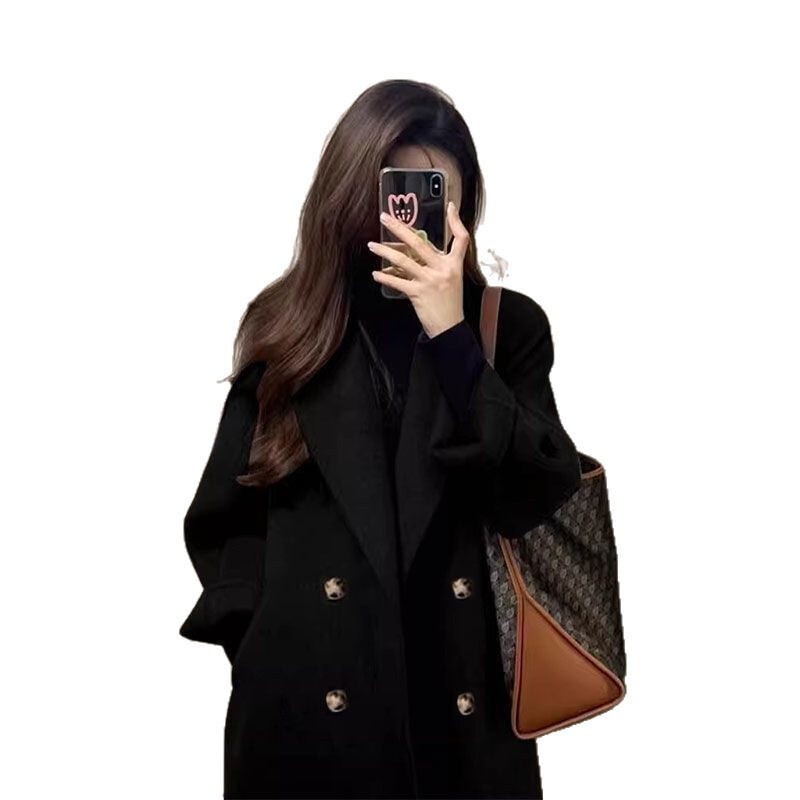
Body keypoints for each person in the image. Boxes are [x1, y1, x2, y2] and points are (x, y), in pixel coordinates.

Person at [179, 78, 583, 800]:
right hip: (307, 717)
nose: (410, 219)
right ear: (347, 195)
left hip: (461, 715)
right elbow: (225, 516)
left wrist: (453, 337)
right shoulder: (287, 329)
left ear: (461, 208)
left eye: (433, 196)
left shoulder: (506, 329)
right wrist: (265, 641)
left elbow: (537, 493)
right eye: (394, 193)